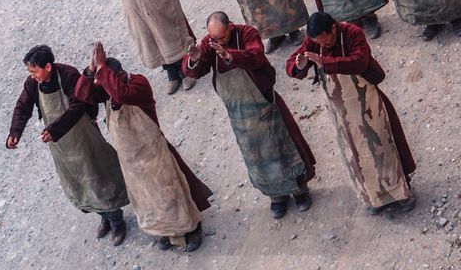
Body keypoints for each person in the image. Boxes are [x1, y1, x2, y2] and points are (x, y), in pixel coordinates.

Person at [76, 46, 210, 252]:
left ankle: (191, 230)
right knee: (147, 199)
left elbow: (121, 94)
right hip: (131, 162)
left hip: (154, 154)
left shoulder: (138, 84)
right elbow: (83, 95)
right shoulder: (108, 90)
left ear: (118, 74)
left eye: (104, 78)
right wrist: (90, 70)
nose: (101, 85)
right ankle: (164, 232)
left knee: (170, 194)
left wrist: (102, 69)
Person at [183, 14, 315, 218]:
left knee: (282, 150)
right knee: (258, 158)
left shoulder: (247, 33)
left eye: (223, 37)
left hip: (264, 106)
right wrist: (194, 58)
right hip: (241, 118)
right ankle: (275, 196)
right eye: (215, 39)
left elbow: (256, 56)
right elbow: (196, 71)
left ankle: (299, 191)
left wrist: (229, 55)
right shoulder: (210, 43)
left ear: (230, 27)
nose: (219, 42)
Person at [286, 14, 416, 214]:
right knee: (356, 155)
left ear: (334, 28)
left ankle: (401, 193)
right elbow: (292, 64)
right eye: (318, 42)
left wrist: (325, 61)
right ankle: (374, 199)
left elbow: (359, 62)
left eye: (326, 39)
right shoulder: (313, 42)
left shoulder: (352, 33)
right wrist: (299, 65)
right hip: (342, 112)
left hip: (367, 103)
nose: (323, 44)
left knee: (383, 145)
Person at [7, 44, 129, 246]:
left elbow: (79, 105)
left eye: (34, 71)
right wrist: (15, 132)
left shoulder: (68, 75)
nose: (31, 76)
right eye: (29, 72)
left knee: (98, 177)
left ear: (47, 67)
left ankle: (117, 221)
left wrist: (54, 130)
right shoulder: (32, 84)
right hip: (62, 148)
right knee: (80, 182)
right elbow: (23, 106)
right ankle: (104, 217)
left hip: (84, 138)